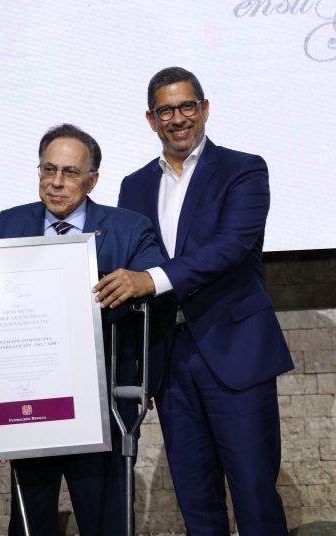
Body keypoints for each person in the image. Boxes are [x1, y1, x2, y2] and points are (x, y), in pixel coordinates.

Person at [93, 67, 294, 535]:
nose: (178, 118)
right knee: (195, 499)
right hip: (170, 359)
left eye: (187, 106)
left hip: (235, 351)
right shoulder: (134, 186)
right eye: (166, 110)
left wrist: (150, 280)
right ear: (151, 119)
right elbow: (130, 261)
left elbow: (230, 247)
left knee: (255, 494)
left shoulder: (244, 169)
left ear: (204, 109)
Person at [0, 123, 165, 536]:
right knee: (30, 522)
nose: (56, 182)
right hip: (30, 405)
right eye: (48, 169)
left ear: (92, 180)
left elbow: (157, 292)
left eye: (70, 172)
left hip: (102, 406)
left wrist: (123, 284)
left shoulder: (128, 228)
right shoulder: (10, 223)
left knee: (106, 521)